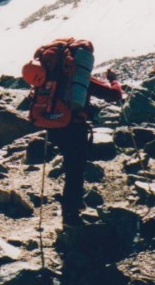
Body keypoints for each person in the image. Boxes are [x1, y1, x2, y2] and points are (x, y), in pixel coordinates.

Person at [47, 67, 124, 226]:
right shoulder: (80, 79)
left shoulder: (49, 75)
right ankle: (70, 214)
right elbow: (114, 95)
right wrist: (113, 80)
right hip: (75, 128)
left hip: (54, 127)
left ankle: (74, 203)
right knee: (76, 168)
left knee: (71, 165)